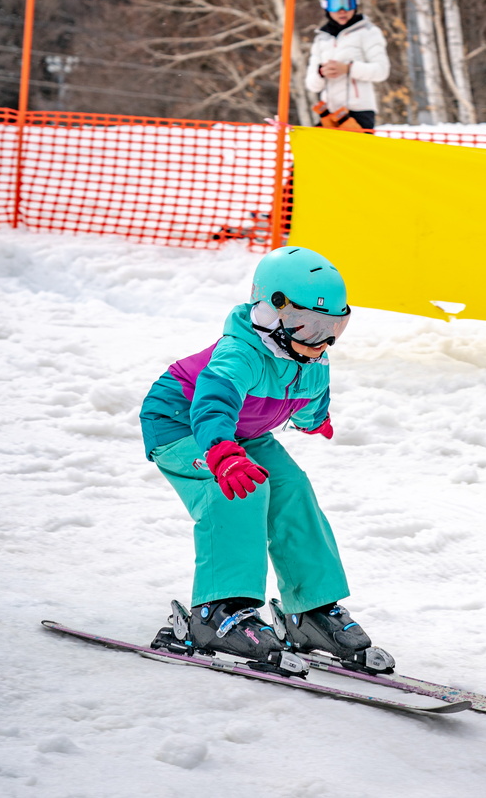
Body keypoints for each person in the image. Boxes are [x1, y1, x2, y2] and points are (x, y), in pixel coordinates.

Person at [139, 246, 393, 673]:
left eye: (333, 326)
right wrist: (222, 454)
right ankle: (216, 611)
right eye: (308, 325)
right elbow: (213, 405)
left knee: (293, 489)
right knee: (240, 490)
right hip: (184, 423)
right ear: (271, 310)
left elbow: (311, 399)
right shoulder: (240, 353)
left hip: (244, 433)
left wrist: (317, 421)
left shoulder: (312, 359)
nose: (321, 340)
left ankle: (309, 610)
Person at [305, 0, 390, 131]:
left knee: (355, 155)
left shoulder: (369, 32)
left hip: (359, 112)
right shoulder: (321, 39)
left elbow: (381, 71)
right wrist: (321, 72)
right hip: (330, 115)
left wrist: (349, 69)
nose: (342, 10)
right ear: (326, 7)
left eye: (347, 3)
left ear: (355, 5)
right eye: (336, 4)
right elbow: (312, 85)